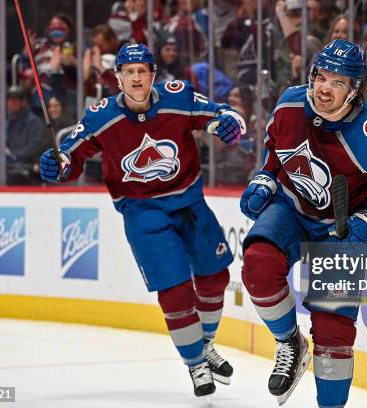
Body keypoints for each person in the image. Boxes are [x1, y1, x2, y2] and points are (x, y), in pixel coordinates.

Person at [38, 43, 247, 397]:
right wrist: (56, 165)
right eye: (128, 72)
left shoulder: (177, 97)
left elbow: (223, 115)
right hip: (143, 211)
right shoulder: (101, 116)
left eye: (142, 71)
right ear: (117, 78)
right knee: (175, 290)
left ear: (152, 74)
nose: (136, 77)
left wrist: (229, 125)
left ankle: (205, 344)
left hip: (190, 203)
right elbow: (70, 159)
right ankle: (196, 363)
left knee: (215, 277)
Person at [239, 39, 367, 407]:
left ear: (354, 91)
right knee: (258, 264)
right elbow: (275, 151)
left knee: (334, 333)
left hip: (342, 225)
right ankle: (290, 342)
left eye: (338, 82)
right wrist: (265, 178)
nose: (324, 88)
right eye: (321, 76)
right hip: (290, 208)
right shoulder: (289, 102)